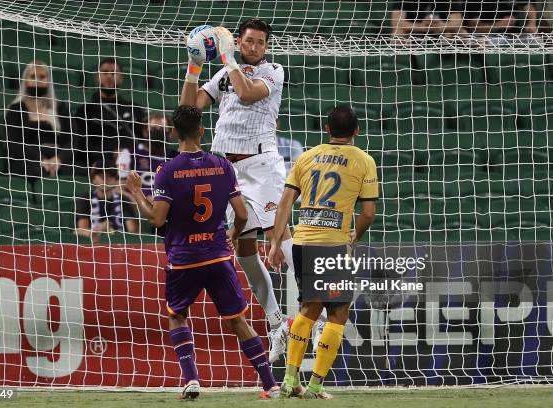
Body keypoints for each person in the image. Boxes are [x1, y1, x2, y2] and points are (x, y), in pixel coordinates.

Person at [125, 105, 279, 399]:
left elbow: (157, 219)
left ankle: (191, 378)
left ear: (173, 133)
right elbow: (243, 214)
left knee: (178, 315)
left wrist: (136, 193)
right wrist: (232, 234)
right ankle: (270, 384)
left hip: (184, 259)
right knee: (237, 320)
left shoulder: (167, 171)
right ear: (202, 131)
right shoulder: (223, 166)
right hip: (218, 255)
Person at [180, 18, 294, 363]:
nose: (254, 47)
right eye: (249, 41)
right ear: (239, 41)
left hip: (262, 165)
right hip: (227, 171)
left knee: (280, 233)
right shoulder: (223, 74)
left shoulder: (273, 71)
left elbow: (246, 95)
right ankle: (277, 325)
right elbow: (187, 112)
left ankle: (314, 316)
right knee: (245, 250)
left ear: (266, 46)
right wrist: (194, 67)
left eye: (260, 42)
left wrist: (228, 59)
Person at [269, 105, 378, 399]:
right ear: (356, 131)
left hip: (303, 241)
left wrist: (276, 243)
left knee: (308, 311)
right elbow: (368, 212)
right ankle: (315, 385)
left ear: (327, 130)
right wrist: (356, 235)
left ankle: (290, 382)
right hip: (333, 245)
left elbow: (285, 203)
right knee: (338, 313)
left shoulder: (306, 157)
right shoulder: (364, 161)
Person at [5, 60, 79, 180]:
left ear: (48, 81)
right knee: (37, 171)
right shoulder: (15, 110)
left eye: (42, 77)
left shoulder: (60, 108)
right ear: (25, 81)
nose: (37, 81)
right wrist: (41, 159)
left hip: (57, 159)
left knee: (80, 172)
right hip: (27, 160)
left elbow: (72, 141)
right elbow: (13, 143)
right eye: (33, 76)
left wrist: (58, 159)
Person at [73, 57, 144, 169]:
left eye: (114, 73)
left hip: (134, 163)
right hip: (100, 165)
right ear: (97, 77)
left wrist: (128, 152)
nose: (109, 76)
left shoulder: (135, 109)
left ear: (121, 78)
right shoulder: (85, 111)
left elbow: (143, 141)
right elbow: (82, 145)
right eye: (105, 72)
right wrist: (110, 154)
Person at [75, 167, 139, 242]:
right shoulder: (85, 199)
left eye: (110, 176)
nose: (105, 180)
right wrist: (99, 229)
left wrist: (113, 233)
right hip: (91, 245)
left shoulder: (123, 199)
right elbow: (82, 231)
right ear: (93, 180)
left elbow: (132, 231)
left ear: (116, 181)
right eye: (101, 176)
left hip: (119, 245)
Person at [390, 0, 467, 37]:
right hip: (413, 32)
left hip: (442, 31)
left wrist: (442, 26)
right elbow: (396, 22)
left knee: (461, 32)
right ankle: (403, 64)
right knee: (397, 34)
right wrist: (421, 27)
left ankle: (458, 64)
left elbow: (458, 22)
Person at [464, 0, 539, 34]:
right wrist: (499, 25)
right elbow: (472, 26)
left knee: (537, 41)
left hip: (514, 35)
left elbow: (528, 6)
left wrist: (532, 22)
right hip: (485, 36)